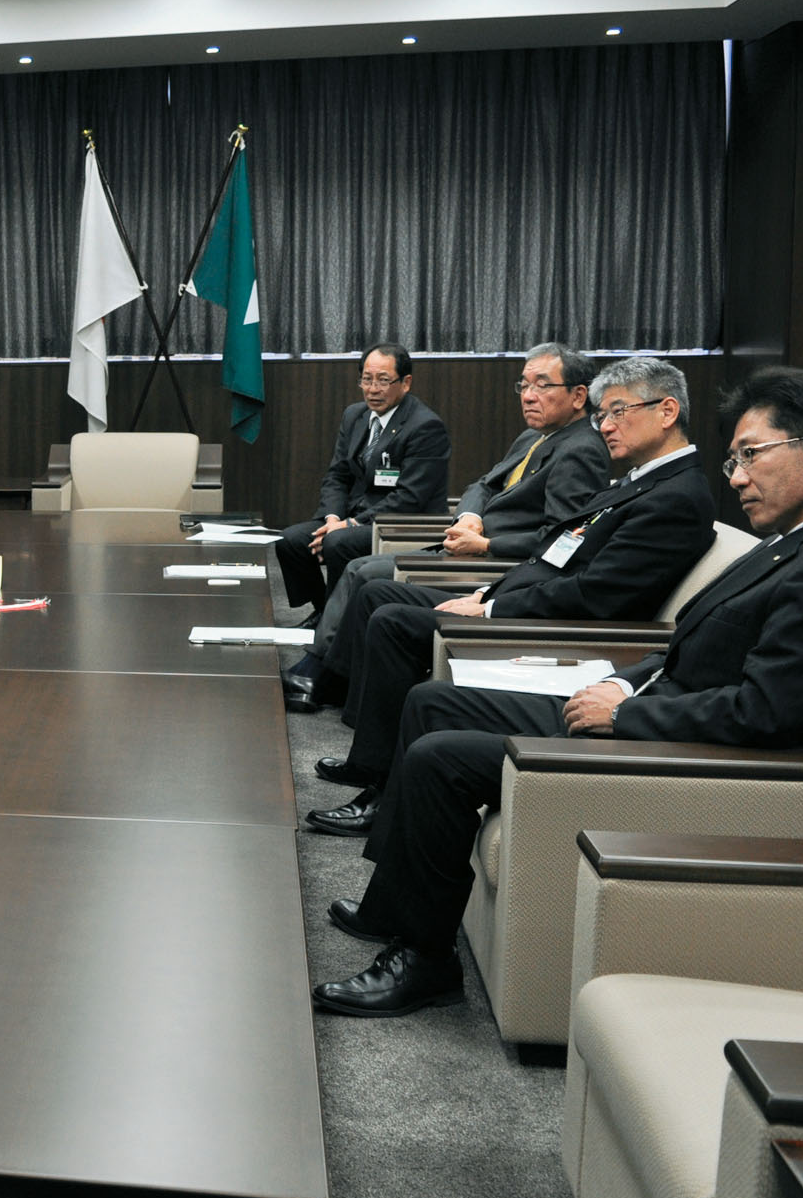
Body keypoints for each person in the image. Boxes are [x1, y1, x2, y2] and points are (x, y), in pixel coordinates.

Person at [313, 367, 803, 1017]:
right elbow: (687, 646)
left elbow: (765, 715)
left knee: (440, 758)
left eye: (751, 455)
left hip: (672, 753)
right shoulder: (790, 545)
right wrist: (620, 680)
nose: (737, 478)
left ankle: (422, 959)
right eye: (733, 461)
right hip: (643, 706)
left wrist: (626, 713)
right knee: (434, 701)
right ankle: (394, 908)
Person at [303, 356, 717, 837]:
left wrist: (492, 607)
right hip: (523, 595)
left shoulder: (674, 495)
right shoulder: (640, 479)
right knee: (383, 599)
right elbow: (557, 552)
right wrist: (490, 590)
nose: (604, 425)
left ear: (667, 411)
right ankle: (371, 765)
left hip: (565, 632)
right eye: (603, 414)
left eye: (617, 412)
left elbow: (596, 593)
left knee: (394, 621)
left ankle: (376, 782)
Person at [285, 343, 608, 710]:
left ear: (578, 395)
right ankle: (325, 673)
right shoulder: (534, 436)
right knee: (358, 567)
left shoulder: (580, 451)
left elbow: (560, 542)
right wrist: (470, 517)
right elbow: (482, 485)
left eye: (542, 385)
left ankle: (324, 676)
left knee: (366, 572)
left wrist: (485, 546)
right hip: (466, 545)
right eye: (524, 385)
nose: (528, 396)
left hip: (495, 566)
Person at [272, 342, 452, 615]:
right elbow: (337, 475)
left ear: (405, 383)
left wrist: (350, 524)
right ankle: (323, 612)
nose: (373, 389)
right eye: (367, 379)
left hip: (399, 523)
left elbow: (409, 498)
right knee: (291, 540)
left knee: (337, 542)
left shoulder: (425, 426)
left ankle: (338, 622)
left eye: (383, 380)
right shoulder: (355, 415)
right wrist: (333, 518)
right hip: (351, 516)